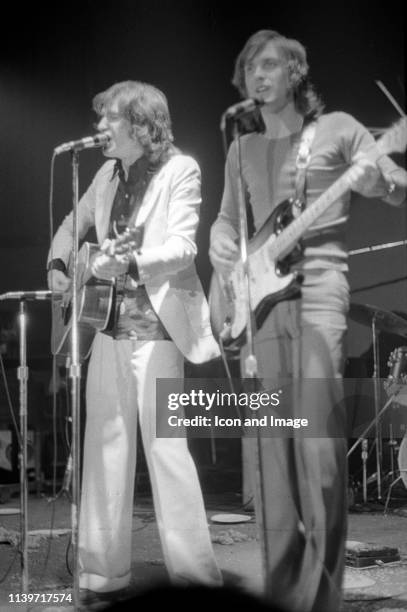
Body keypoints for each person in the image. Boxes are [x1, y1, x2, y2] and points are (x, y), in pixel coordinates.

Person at [209, 30, 406, 612]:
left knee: (317, 448)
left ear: (295, 71)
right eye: (250, 70)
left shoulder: (339, 127)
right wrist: (223, 247)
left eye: (269, 65)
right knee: (274, 456)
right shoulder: (239, 149)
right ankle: (281, 594)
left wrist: (381, 179)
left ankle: (322, 599)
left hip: (320, 294)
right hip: (261, 308)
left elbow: (395, 187)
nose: (258, 76)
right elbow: (226, 222)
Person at [47, 80, 223, 604]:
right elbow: (70, 224)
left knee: (167, 452)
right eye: (99, 117)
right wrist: (60, 263)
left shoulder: (180, 169)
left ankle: (195, 579)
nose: (99, 127)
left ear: (142, 125)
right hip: (106, 326)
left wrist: (133, 261)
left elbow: (184, 246)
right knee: (104, 450)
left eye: (110, 119)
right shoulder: (104, 173)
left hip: (159, 331)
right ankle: (102, 576)